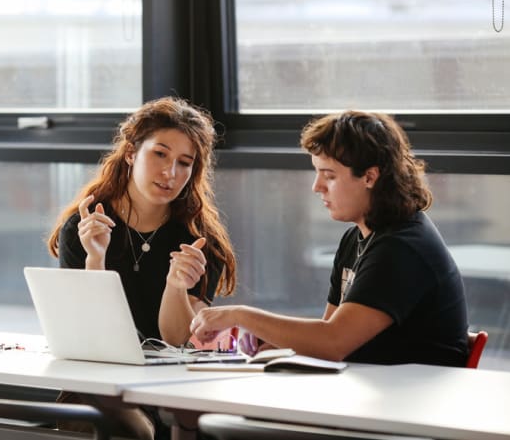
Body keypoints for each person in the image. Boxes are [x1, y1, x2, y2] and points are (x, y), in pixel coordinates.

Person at [190, 110, 469, 367]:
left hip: (409, 408)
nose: (317, 186)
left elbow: (333, 342)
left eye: (329, 176)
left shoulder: (402, 247)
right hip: (372, 395)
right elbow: (326, 335)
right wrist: (272, 339)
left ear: (370, 177)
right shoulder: (356, 238)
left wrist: (240, 315)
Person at [46, 96, 237, 440]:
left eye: (184, 162)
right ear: (132, 153)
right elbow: (85, 331)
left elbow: (176, 339)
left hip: (171, 383)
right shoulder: (86, 225)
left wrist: (177, 285)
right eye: (159, 154)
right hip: (99, 380)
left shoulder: (198, 239)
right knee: (122, 427)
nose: (170, 172)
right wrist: (95, 260)